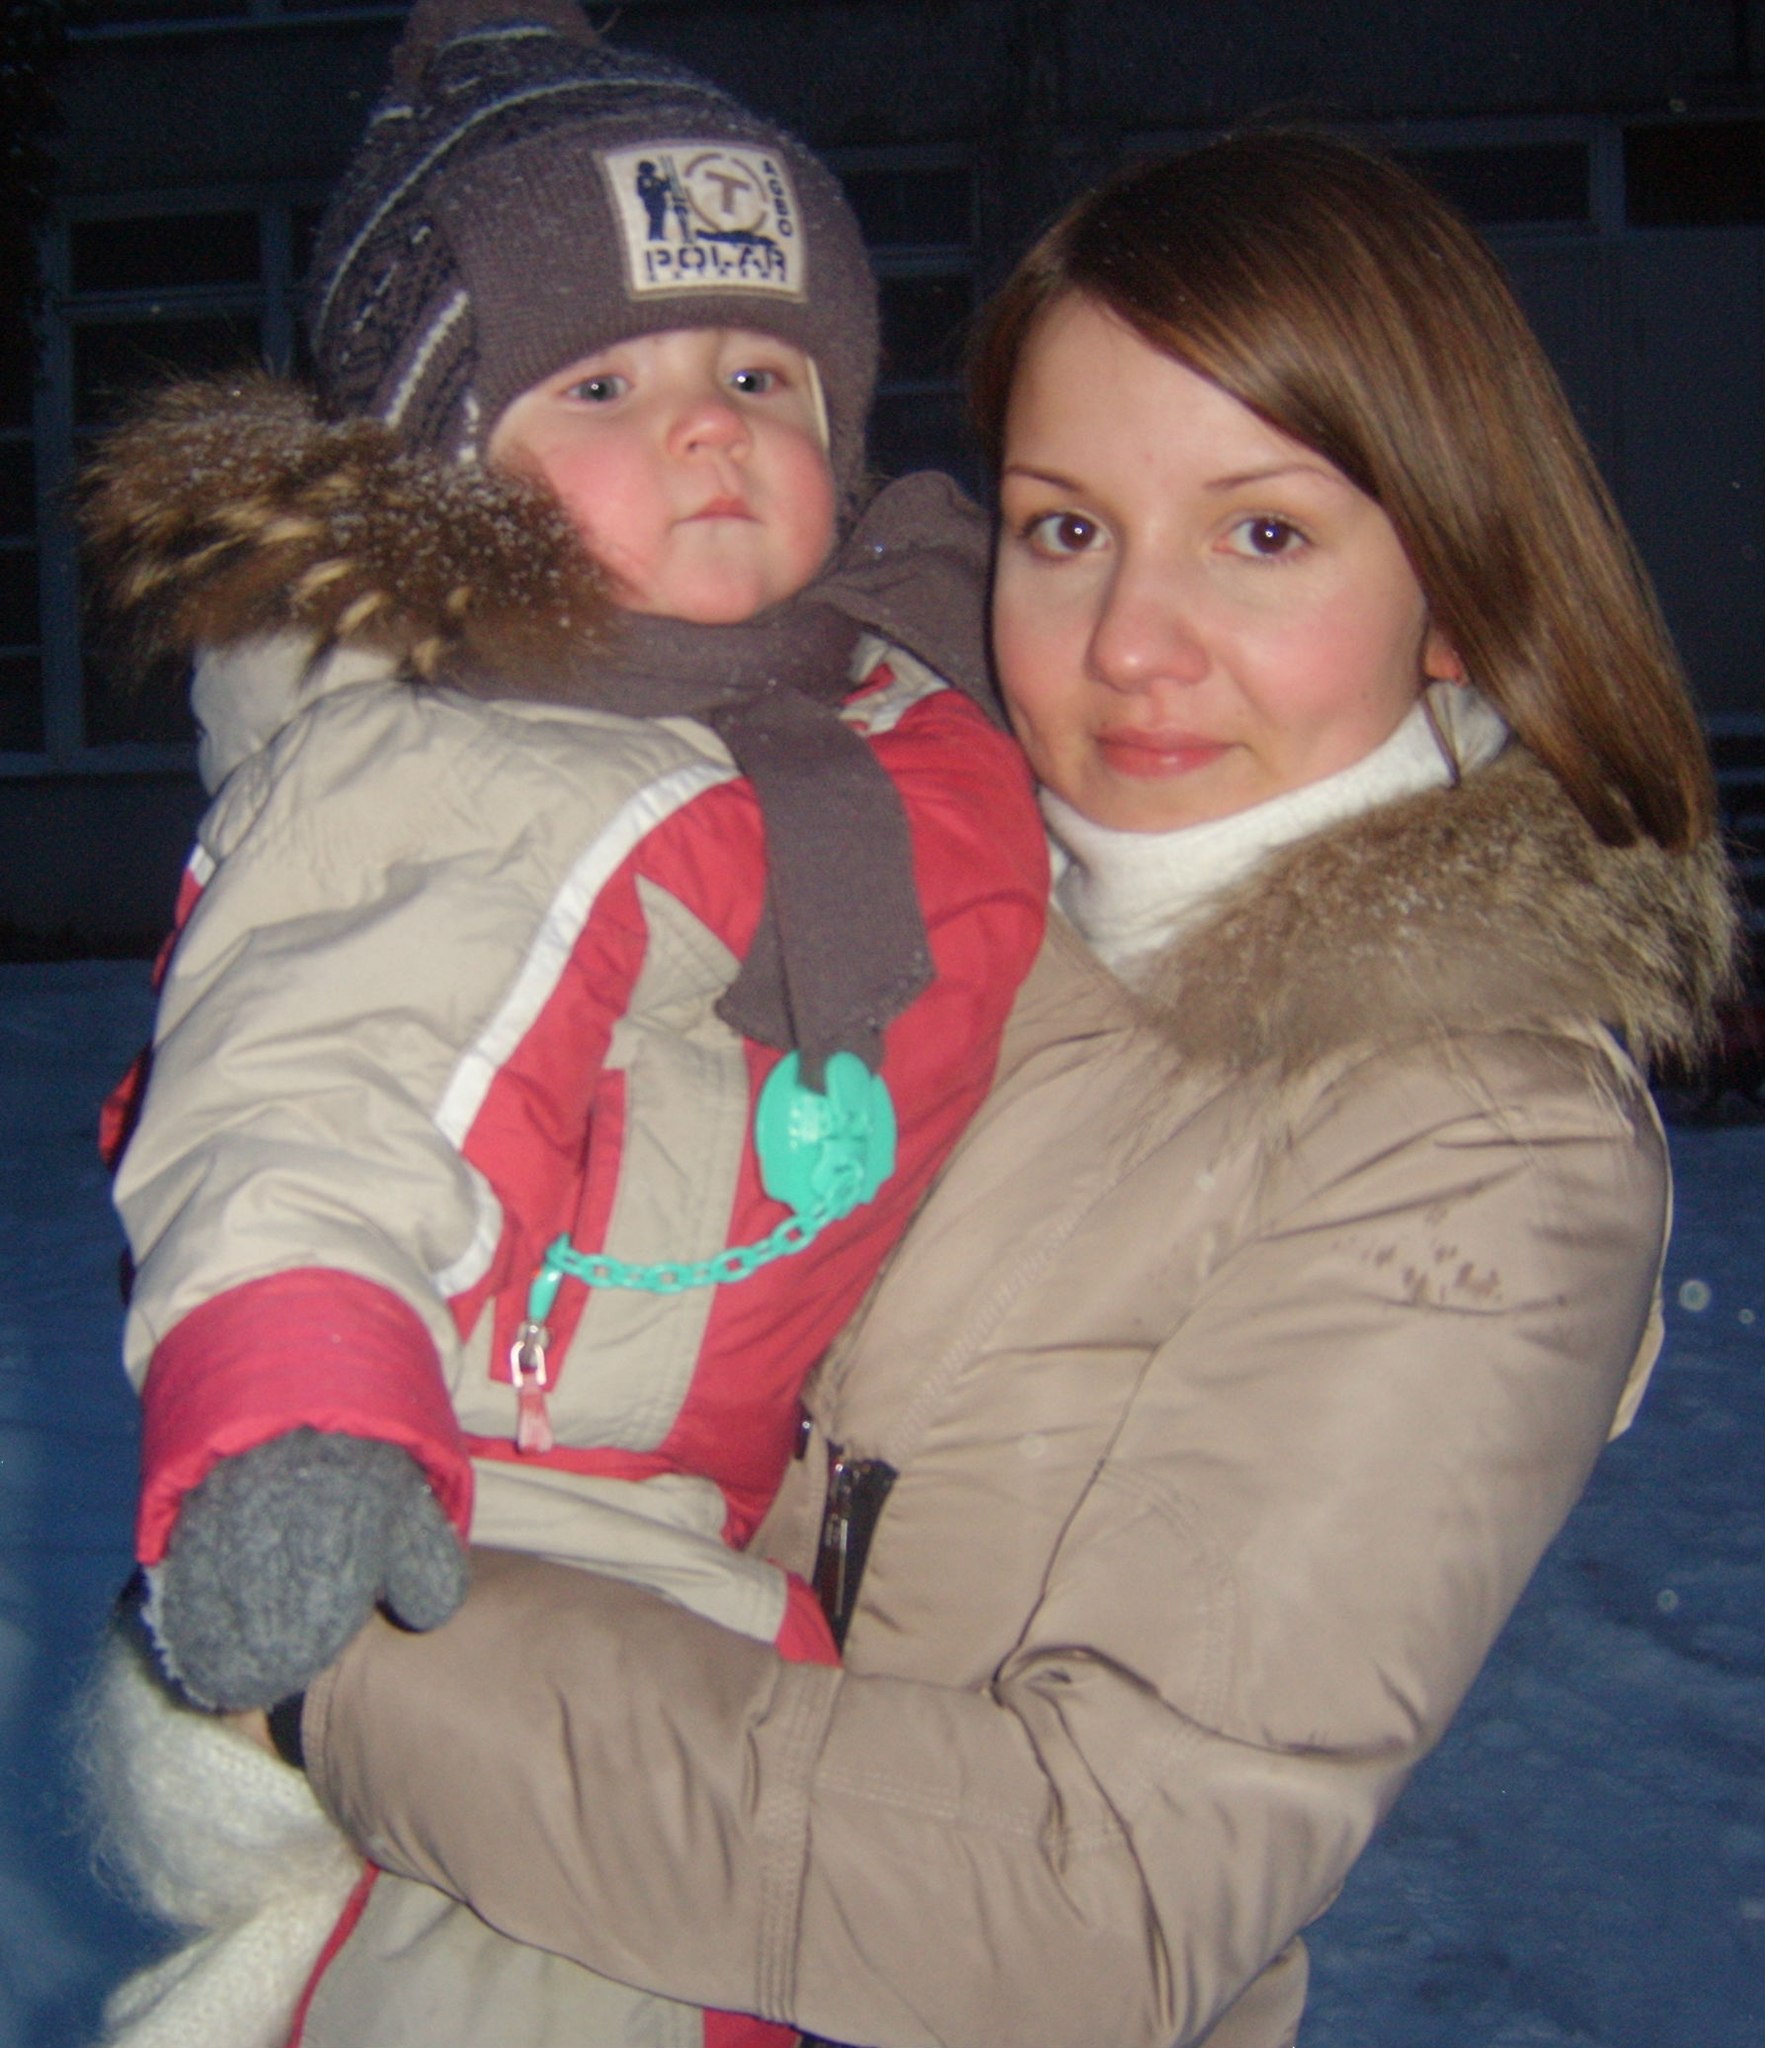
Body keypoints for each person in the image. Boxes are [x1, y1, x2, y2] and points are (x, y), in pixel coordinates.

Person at [267, 132, 1738, 2048]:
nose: (1127, 644)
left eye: (1262, 535)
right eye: (1063, 529)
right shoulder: (926, 903)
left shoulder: (1476, 1149)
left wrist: (347, 1656)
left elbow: (1089, 1909)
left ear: (1455, 585)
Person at [80, 2, 1045, 2042]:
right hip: (466, 1510)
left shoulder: (889, 699)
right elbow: (308, 1095)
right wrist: (305, 1422)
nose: (707, 429)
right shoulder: (452, 752)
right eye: (602, 382)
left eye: (759, 374)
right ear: (451, 475)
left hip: (685, 1524)